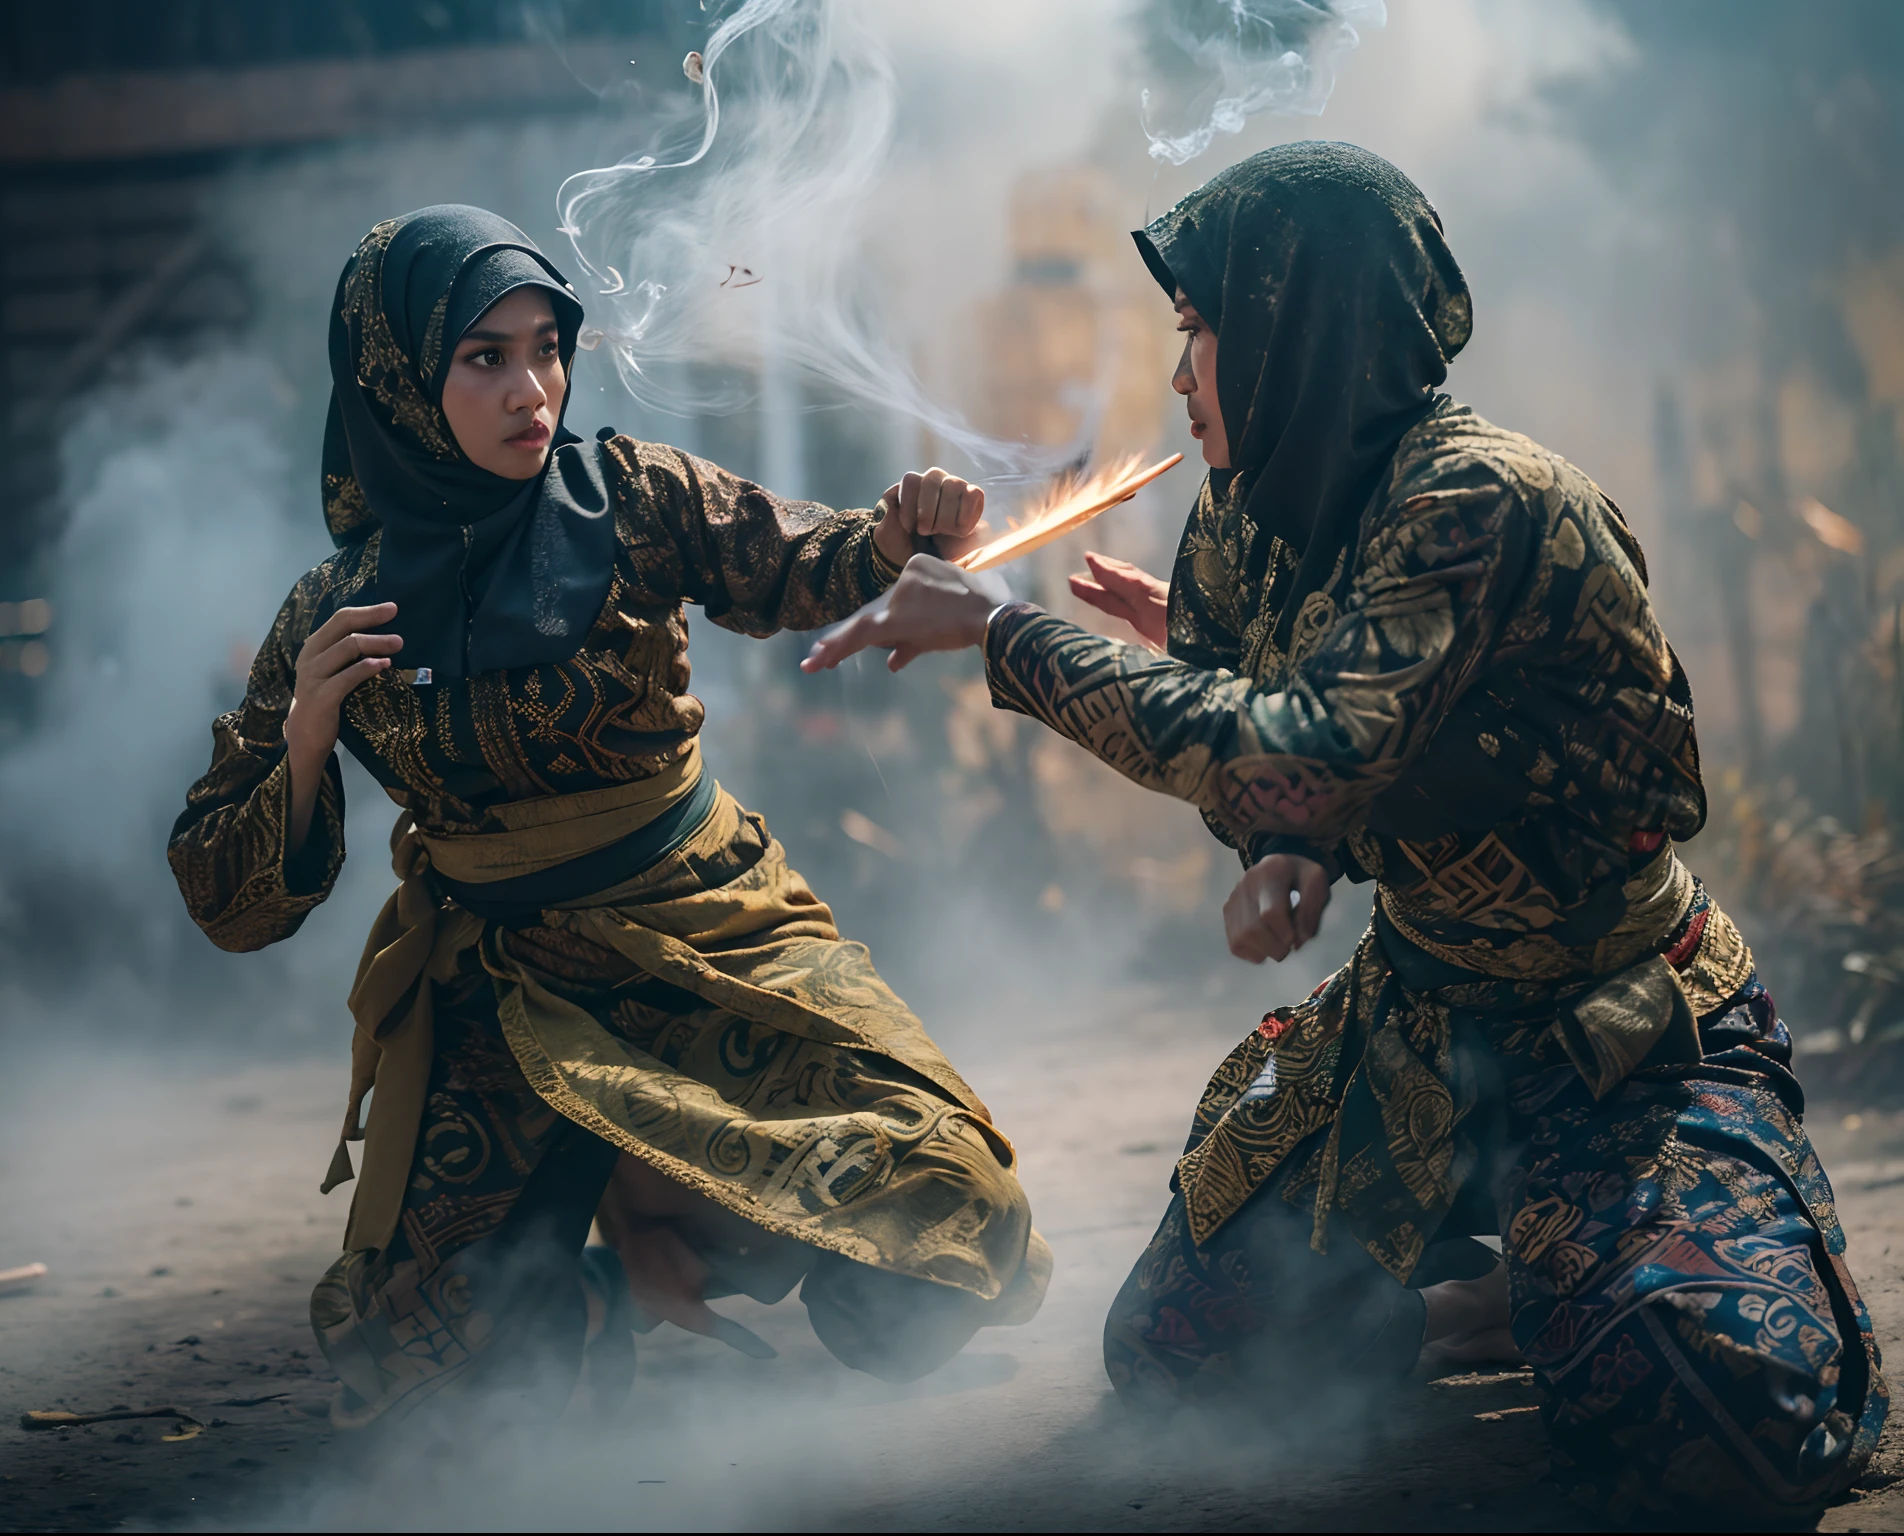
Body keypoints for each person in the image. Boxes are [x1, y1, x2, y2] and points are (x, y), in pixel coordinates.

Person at [800, 142, 1885, 1519]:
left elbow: (1310, 739)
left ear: (1302, 334)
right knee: (1181, 1349)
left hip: (1616, 1024)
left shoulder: (1481, 500)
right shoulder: (1248, 518)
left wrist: (998, 630)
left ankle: (1606, 1268)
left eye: (1200, 333)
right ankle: (1501, 1302)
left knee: (1724, 1421)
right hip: (1417, 1022)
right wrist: (1286, 857)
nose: (1177, 377)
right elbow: (1286, 764)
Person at [167, 205, 1048, 1427]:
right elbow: (225, 898)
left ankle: (675, 1210)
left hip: (706, 933)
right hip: (502, 993)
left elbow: (803, 560)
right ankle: (584, 1292)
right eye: (485, 358)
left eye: (546, 345)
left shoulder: (629, 496)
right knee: (435, 1388)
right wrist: (307, 744)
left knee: (948, 1219)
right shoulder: (336, 611)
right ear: (398, 382)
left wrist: (899, 535)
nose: (533, 388)